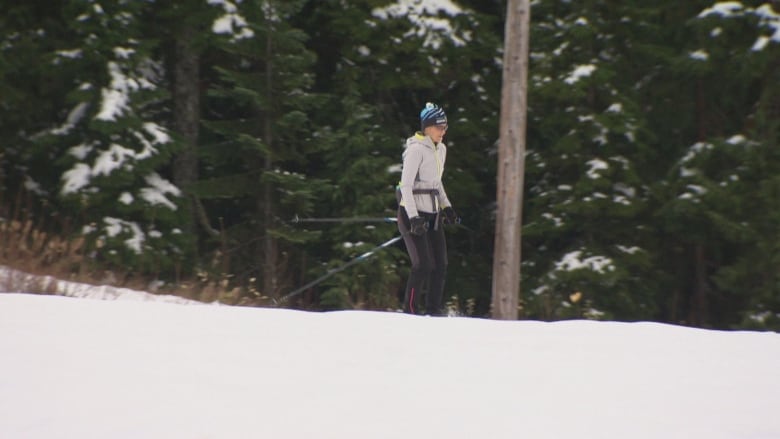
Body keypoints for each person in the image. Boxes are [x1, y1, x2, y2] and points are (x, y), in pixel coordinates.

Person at [396, 102, 460, 315]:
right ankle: (411, 310)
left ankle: (434, 311)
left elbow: (436, 182)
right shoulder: (415, 150)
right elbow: (405, 185)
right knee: (423, 265)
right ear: (428, 127)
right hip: (411, 213)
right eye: (440, 127)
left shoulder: (441, 149)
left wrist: (447, 207)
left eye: (445, 127)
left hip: (433, 214)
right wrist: (414, 218)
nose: (443, 131)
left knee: (440, 265)